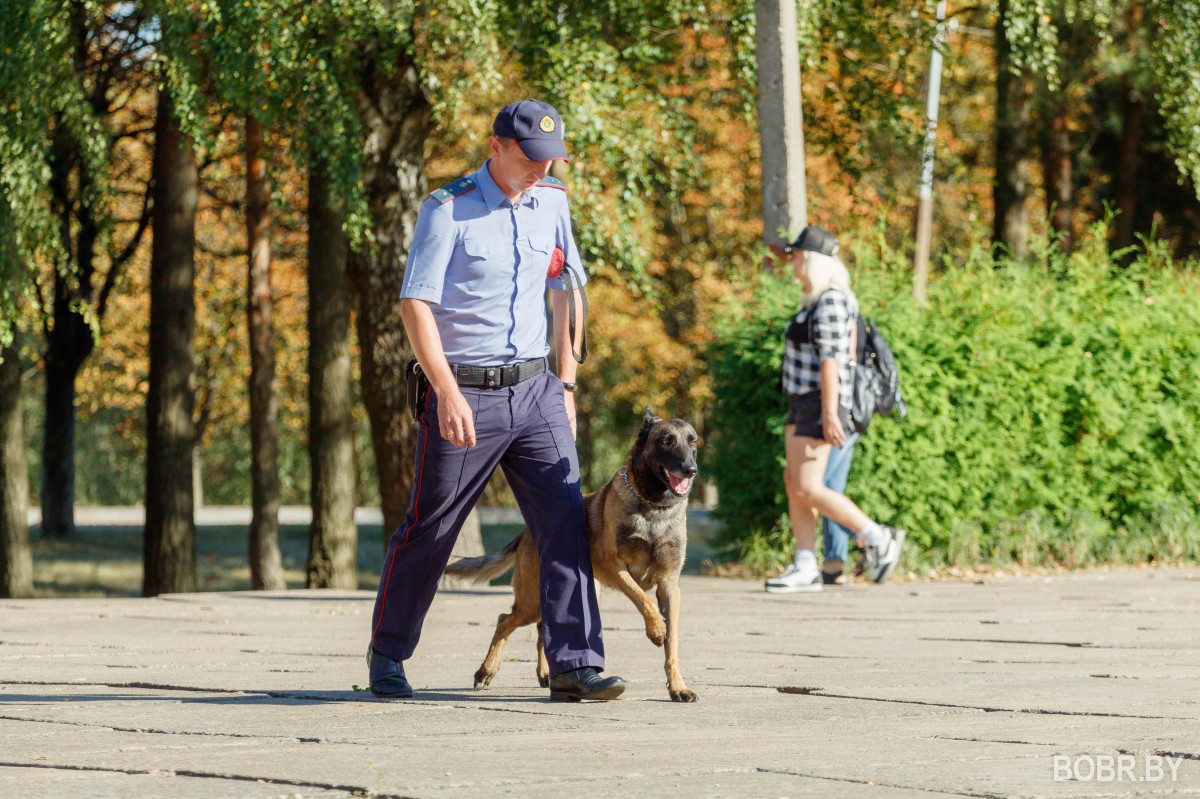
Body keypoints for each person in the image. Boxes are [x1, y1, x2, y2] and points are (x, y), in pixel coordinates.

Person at [367, 99, 625, 701]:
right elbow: (416, 306)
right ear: (497, 147)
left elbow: (567, 290)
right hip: (466, 394)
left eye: (550, 159)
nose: (541, 169)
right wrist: (446, 390)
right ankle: (388, 652)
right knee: (432, 528)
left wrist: (566, 382)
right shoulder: (447, 210)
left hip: (538, 391)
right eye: (531, 158)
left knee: (565, 523)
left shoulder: (553, 203)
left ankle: (575, 664)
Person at [765, 225, 905, 593]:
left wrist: (830, 414)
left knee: (810, 486)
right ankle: (806, 564)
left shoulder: (831, 300)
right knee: (795, 484)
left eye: (797, 257)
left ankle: (877, 537)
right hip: (801, 400)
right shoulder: (814, 300)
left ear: (811, 260)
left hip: (819, 400)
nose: (792, 264)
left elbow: (832, 362)